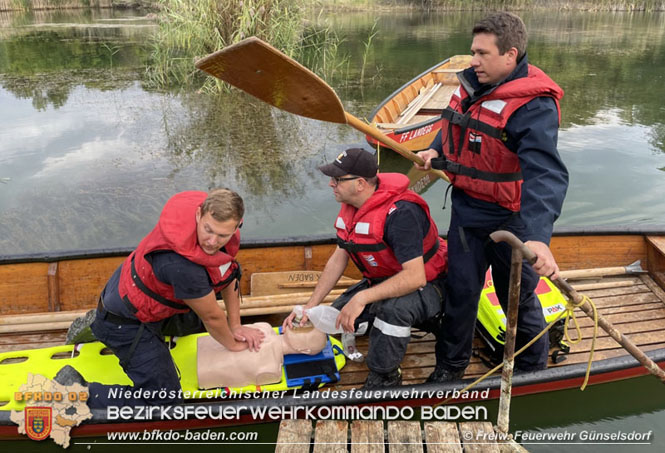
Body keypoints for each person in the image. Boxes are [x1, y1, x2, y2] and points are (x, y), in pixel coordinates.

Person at [415, 11, 568, 382]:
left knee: (515, 297)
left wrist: (537, 238)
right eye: (473, 51)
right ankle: (450, 369)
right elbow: (454, 124)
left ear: (510, 55)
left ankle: (532, 372)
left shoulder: (533, 106)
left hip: (510, 220)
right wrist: (436, 151)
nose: (474, 60)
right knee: (461, 291)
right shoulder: (470, 85)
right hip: (468, 211)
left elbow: (545, 175)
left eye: (483, 53)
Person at [56, 189, 265, 407]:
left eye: (222, 236)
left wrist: (236, 325)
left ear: (237, 225)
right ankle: (73, 391)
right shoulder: (182, 266)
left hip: (142, 295)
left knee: (200, 321)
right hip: (127, 320)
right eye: (208, 230)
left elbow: (228, 274)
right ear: (198, 214)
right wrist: (232, 344)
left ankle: (98, 324)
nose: (212, 242)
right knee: (164, 400)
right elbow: (212, 317)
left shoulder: (220, 222)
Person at [284, 148, 448, 389]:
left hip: (432, 286)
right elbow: (339, 257)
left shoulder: (401, 215)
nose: (331, 184)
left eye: (338, 180)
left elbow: (415, 277)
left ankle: (386, 376)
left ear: (360, 184)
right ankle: (372, 324)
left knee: (392, 311)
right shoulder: (353, 205)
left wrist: (362, 297)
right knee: (334, 317)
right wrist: (311, 306)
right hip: (384, 280)